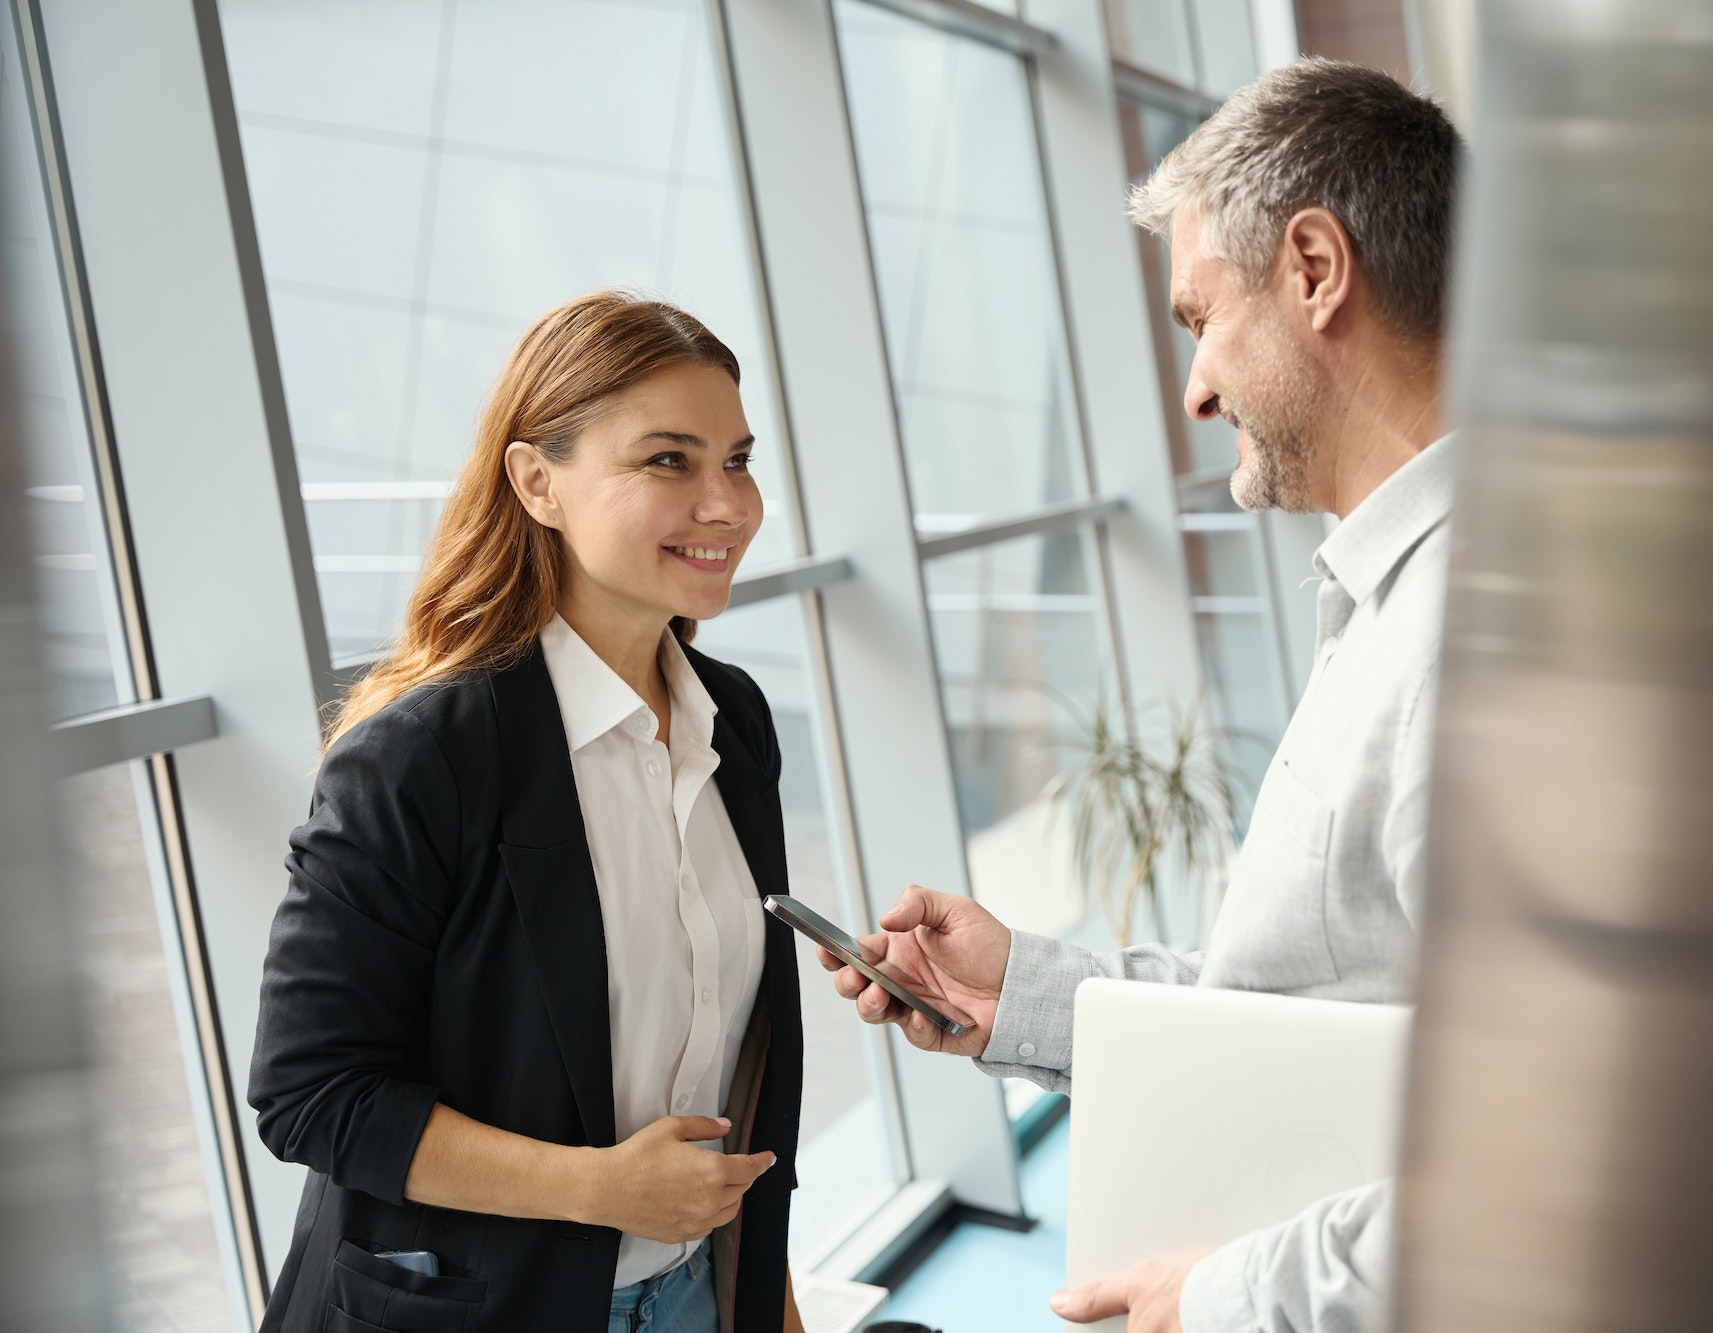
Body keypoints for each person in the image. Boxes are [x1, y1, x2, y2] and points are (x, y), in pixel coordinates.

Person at [818, 58, 1461, 1333]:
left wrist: (1217, 1297)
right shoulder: (1391, 600)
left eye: (1198, 319)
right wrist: (1027, 999)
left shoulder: (1471, 633)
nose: (1195, 391)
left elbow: (1568, 1154)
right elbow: (1312, 1000)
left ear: (1315, 268)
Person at [248, 291, 806, 1333]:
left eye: (736, 459)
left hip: (696, 1293)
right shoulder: (419, 757)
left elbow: (739, 1073)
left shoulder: (732, 717)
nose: (727, 504)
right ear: (535, 481)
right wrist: (595, 1188)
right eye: (668, 460)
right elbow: (310, 1092)